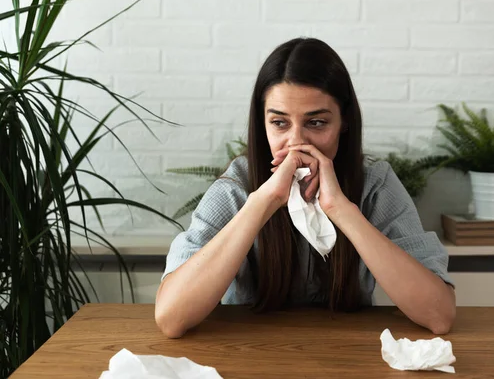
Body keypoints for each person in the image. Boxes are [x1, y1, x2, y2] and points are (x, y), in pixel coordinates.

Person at [155, 37, 456, 339]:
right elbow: (171, 318)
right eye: (280, 123)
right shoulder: (238, 185)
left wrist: (340, 209)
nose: (296, 143)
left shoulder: (375, 183)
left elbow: (439, 316)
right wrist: (265, 200)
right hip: (249, 355)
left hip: (349, 354)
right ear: (263, 124)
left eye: (316, 123)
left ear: (344, 122)